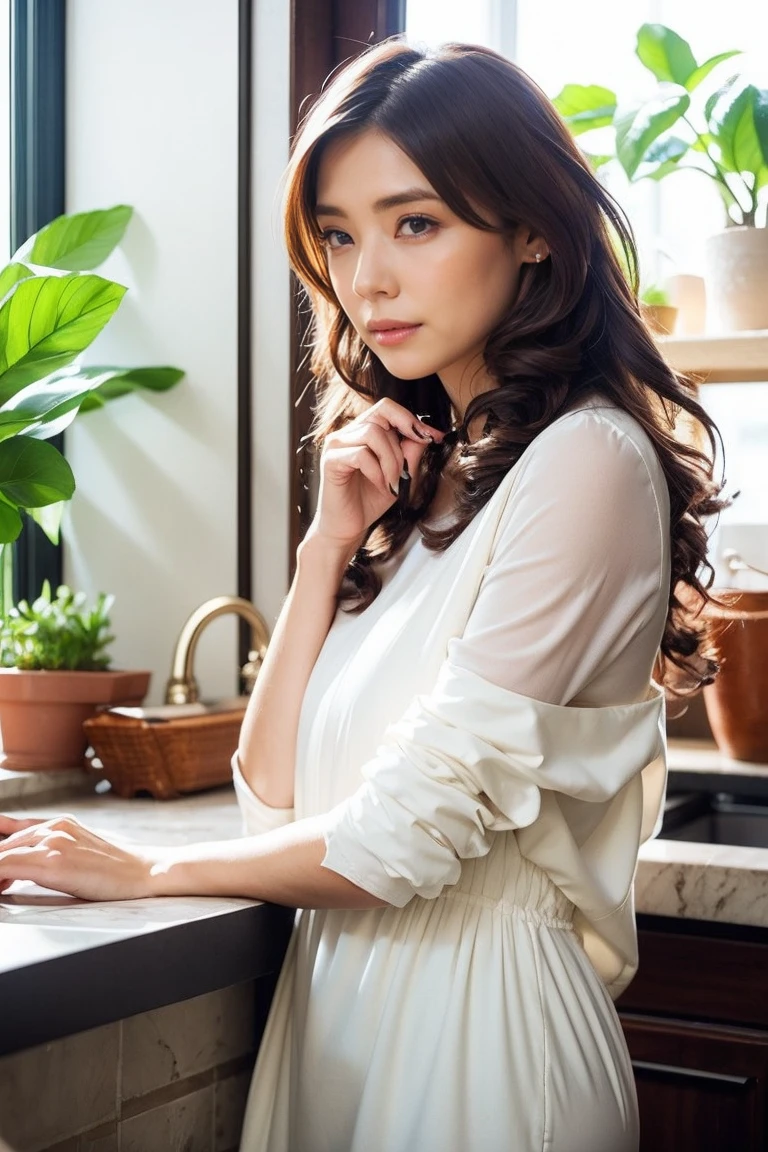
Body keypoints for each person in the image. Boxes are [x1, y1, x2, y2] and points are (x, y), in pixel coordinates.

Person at [0, 37, 730, 1152]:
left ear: (533, 228)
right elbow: (274, 795)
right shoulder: (424, 478)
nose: (366, 277)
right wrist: (323, 553)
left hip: (483, 1049)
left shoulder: (588, 462)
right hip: (340, 1019)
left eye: (416, 223)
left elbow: (400, 841)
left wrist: (144, 867)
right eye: (339, 235)